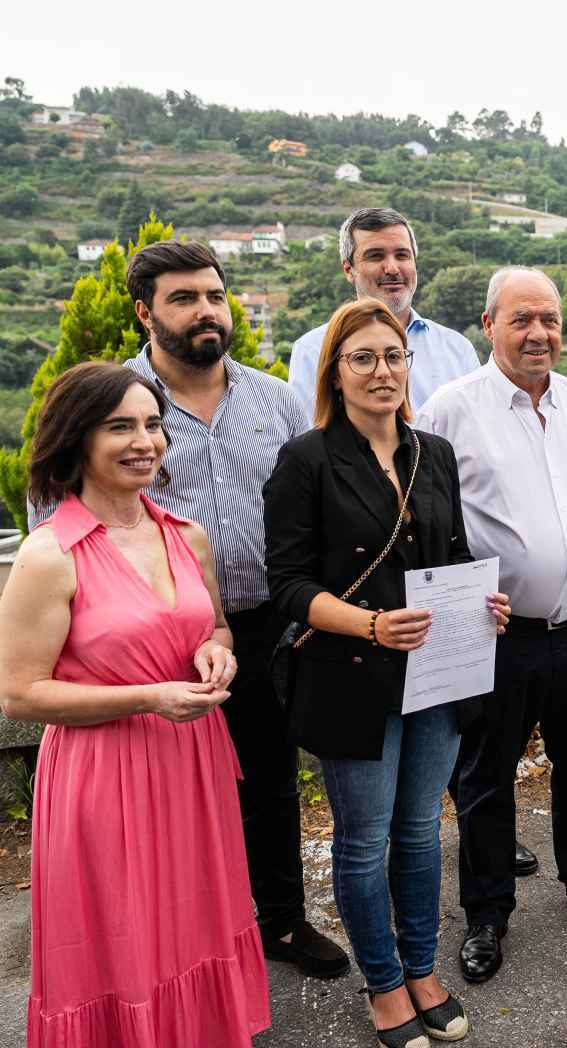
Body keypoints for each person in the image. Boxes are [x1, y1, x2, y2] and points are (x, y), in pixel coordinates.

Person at [26, 241, 348, 978]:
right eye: (183, 298)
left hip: (258, 625)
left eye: (213, 294)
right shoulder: (114, 402)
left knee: (267, 779)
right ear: (145, 312)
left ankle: (282, 922)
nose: (206, 310)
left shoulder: (275, 400)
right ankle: (172, 942)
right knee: (168, 805)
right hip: (145, 637)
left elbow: (314, 510)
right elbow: (54, 516)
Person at [264, 299, 511, 1047]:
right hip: (351, 677)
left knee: (418, 836)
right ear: (335, 373)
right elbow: (289, 586)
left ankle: (422, 967)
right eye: (363, 358)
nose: (382, 371)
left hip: (435, 674)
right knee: (364, 841)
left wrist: (483, 601)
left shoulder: (431, 452)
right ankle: (383, 982)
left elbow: (453, 552)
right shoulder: (306, 459)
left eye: (393, 357)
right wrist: (369, 622)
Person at [1, 362, 269, 1046]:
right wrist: (150, 694)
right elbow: (18, 692)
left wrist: (218, 650)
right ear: (76, 441)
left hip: (192, 762)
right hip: (103, 777)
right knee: (122, 940)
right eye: (120, 426)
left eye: (153, 424)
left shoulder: (186, 536)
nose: (144, 441)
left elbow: (213, 626)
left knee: (193, 921)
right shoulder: (48, 555)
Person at [417, 266, 567, 985]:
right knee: (486, 776)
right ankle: (487, 913)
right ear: (490, 326)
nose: (538, 332)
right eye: (521, 319)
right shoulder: (452, 408)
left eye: (548, 318)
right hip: (500, 634)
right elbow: (430, 519)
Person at [288, 207, 478, 414]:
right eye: (376, 256)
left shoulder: (458, 349)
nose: (392, 268)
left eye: (402, 255)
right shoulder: (313, 350)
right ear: (348, 270)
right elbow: (309, 435)